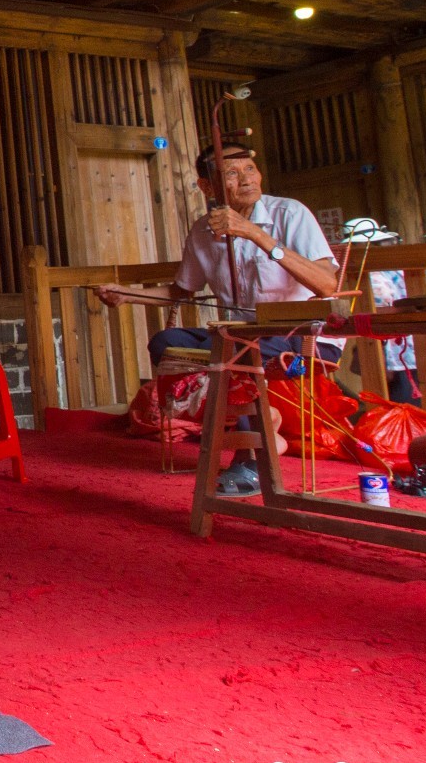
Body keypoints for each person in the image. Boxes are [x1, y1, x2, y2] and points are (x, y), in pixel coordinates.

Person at [94, 142, 340, 497]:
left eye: (250, 169)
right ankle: (257, 421)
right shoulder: (202, 232)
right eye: (231, 173)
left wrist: (254, 232)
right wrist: (126, 293)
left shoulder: (290, 214)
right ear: (207, 187)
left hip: (301, 335)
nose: (247, 180)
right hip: (240, 335)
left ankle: (251, 453)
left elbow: (327, 282)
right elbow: (182, 291)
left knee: (231, 351)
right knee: (166, 344)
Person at [338, 217, 426, 407]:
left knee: (401, 406)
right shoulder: (401, 266)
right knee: (422, 404)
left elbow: (375, 309)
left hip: (394, 349)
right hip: (419, 343)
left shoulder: (370, 275)